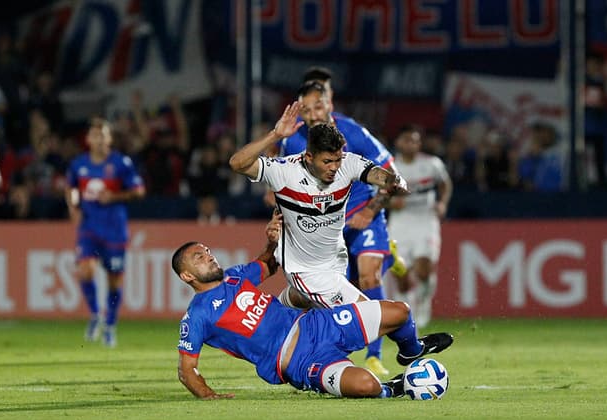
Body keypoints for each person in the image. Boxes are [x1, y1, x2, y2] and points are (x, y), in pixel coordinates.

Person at [229, 102, 450, 370]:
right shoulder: (284, 171)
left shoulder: (347, 163)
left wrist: (394, 182)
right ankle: (411, 351)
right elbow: (237, 163)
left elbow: (380, 175)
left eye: (338, 159)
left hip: (335, 263)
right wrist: (275, 135)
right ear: (308, 157)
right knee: (395, 314)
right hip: (307, 271)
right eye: (327, 161)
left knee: (313, 304)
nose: (335, 167)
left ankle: (281, 309)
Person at [173, 212, 454, 399]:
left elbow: (267, 266)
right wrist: (209, 395)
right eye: (199, 257)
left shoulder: (234, 277)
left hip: (316, 325)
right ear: (187, 276)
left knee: (401, 312)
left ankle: (411, 351)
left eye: (207, 252)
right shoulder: (197, 315)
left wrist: (272, 241)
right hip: (298, 362)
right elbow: (187, 369)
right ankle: (394, 388)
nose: (208, 257)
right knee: (366, 385)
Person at [274, 80, 407, 376]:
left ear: (330, 104)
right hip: (326, 228)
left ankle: (374, 356)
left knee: (369, 272)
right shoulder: (293, 139)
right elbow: (286, 186)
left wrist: (371, 211)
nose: (312, 114)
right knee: (330, 301)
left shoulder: (353, 132)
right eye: (305, 109)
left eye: (318, 106)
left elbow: (391, 173)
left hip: (362, 213)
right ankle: (321, 355)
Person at [65, 117, 145, 347]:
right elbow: (70, 188)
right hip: (88, 226)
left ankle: (110, 324)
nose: (99, 139)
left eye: (103, 135)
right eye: (94, 135)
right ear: (88, 139)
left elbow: (139, 190)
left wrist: (115, 196)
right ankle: (94, 315)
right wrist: (73, 208)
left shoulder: (121, 163)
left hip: (114, 229)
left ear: (109, 139)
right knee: (85, 270)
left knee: (114, 281)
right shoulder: (78, 164)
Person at [387, 124, 452, 328]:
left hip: (425, 220)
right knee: (401, 274)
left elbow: (445, 184)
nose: (412, 144)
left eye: (415, 141)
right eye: (407, 140)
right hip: (400, 222)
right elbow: (377, 195)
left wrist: (442, 203)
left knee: (424, 269)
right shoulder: (390, 167)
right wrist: (390, 203)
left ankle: (423, 303)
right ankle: (406, 311)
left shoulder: (432, 164)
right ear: (398, 142)